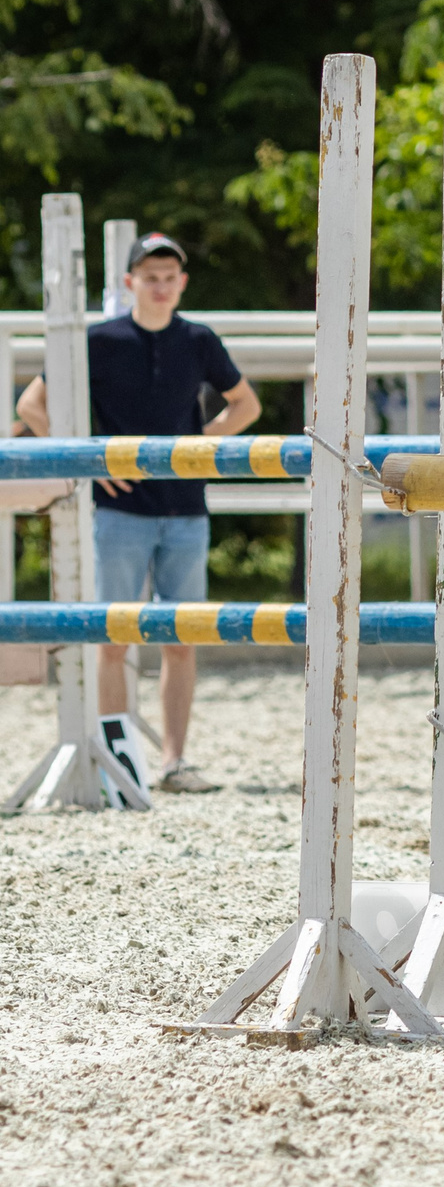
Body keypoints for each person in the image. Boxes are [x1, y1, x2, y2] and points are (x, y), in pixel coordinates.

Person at [15, 232, 259, 794]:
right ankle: (118, 765)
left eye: (170, 277)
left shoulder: (198, 339)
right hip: (119, 510)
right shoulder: (100, 339)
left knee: (182, 637)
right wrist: (90, 457)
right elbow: (31, 405)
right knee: (113, 639)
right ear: (130, 282)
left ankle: (174, 762)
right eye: (150, 277)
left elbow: (246, 404)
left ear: (183, 283)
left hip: (186, 509)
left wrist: (200, 448)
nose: (160, 286)